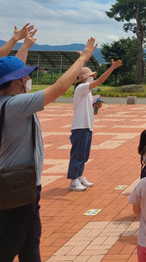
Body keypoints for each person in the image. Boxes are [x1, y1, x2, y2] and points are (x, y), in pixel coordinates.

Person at [0, 35, 97, 262]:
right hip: (17, 187)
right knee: (9, 245)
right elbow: (60, 86)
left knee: (29, 242)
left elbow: (11, 71)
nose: (27, 80)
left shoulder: (7, 100)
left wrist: (23, 46)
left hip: (19, 185)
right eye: (25, 78)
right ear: (16, 82)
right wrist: (83, 58)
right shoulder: (16, 105)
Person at [67, 58, 122, 191]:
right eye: (90, 76)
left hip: (87, 126)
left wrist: (96, 106)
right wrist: (112, 68)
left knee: (84, 154)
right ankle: (73, 180)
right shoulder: (81, 88)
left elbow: (90, 108)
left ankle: (79, 175)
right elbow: (101, 80)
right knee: (78, 154)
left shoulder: (87, 91)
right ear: (84, 78)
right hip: (80, 126)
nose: (92, 78)